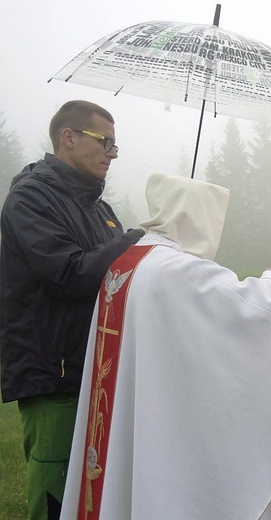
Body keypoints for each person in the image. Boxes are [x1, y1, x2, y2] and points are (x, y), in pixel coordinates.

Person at [61, 173, 271, 519]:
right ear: (197, 218)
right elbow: (251, 312)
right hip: (159, 426)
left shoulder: (128, 262)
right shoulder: (175, 271)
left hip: (131, 415)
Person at [0, 100, 144, 520]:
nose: (112, 154)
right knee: (58, 497)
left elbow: (116, 280)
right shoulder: (30, 198)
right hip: (54, 377)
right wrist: (135, 240)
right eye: (106, 143)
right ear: (69, 137)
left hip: (95, 372)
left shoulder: (100, 210)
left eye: (116, 146)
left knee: (96, 493)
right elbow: (67, 273)